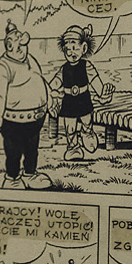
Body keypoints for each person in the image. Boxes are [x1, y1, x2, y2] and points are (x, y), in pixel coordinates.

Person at [0, 19, 52, 189]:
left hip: (35, 119)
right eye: (14, 45)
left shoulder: (30, 59)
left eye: (22, 44)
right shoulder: (3, 66)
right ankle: (12, 178)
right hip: (13, 121)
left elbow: (40, 79)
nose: (20, 49)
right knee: (14, 151)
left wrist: (51, 98)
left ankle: (30, 174)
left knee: (32, 148)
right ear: (8, 46)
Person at [51, 24, 113, 162]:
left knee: (86, 122)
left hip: (83, 99)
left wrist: (103, 93)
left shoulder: (86, 66)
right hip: (68, 101)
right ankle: (73, 147)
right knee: (70, 128)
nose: (71, 53)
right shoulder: (64, 69)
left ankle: (87, 133)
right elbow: (55, 82)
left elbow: (95, 81)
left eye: (74, 48)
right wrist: (50, 91)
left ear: (83, 48)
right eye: (67, 49)